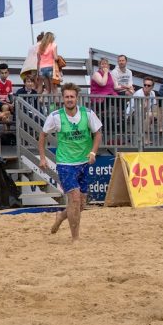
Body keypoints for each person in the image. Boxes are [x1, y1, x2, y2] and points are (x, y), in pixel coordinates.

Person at [38, 83, 102, 242]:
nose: (69, 99)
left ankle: (61, 216)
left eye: (72, 97)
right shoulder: (55, 116)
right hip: (65, 163)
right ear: (63, 98)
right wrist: (43, 157)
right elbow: (43, 136)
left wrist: (93, 152)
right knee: (74, 198)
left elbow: (98, 134)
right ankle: (76, 238)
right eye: (66, 97)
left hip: (84, 162)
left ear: (77, 98)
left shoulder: (88, 114)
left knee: (80, 205)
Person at [127, 78, 163, 145]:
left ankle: (160, 128)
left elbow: (154, 106)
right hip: (132, 113)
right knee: (149, 115)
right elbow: (140, 110)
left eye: (148, 85)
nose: (146, 86)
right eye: (145, 85)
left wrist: (157, 113)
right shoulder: (138, 94)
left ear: (152, 87)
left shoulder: (152, 93)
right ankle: (146, 138)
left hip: (145, 113)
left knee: (156, 112)